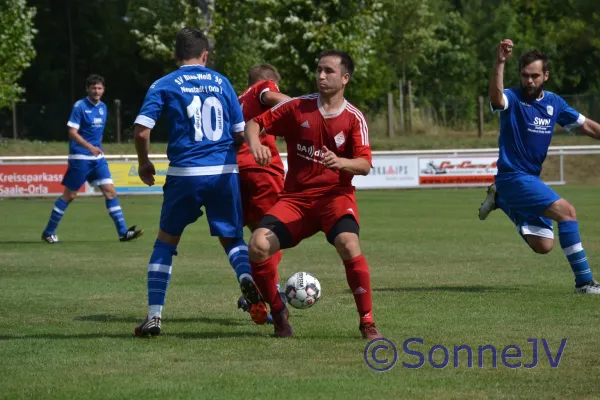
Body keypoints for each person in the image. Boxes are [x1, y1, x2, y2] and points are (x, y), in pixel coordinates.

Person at [132, 27, 267, 337]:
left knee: (165, 242)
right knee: (232, 240)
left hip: (184, 174)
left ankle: (154, 316)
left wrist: (144, 162)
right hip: (222, 173)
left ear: (175, 54)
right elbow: (238, 133)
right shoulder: (222, 82)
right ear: (205, 55)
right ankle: (246, 277)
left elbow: (141, 131)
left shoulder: (163, 84)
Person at [245, 50, 383, 339]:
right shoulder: (297, 107)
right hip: (295, 200)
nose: (321, 76)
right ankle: (279, 312)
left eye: (329, 71)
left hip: (335, 198)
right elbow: (254, 122)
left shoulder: (354, 118)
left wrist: (342, 162)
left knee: (348, 243)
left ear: (345, 78)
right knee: (257, 245)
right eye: (319, 70)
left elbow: (366, 164)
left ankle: (367, 322)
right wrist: (255, 143)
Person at [479, 39, 600, 294]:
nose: (529, 81)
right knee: (568, 212)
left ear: (545, 75)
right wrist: (499, 63)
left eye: (535, 76)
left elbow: (587, 126)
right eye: (525, 76)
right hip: (513, 176)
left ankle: (500, 200)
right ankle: (585, 283)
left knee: (543, 245)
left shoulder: (554, 103)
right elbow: (496, 98)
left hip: (528, 180)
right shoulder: (512, 97)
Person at [41, 75, 143, 244]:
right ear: (87, 89)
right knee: (70, 195)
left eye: (100, 88)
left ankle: (123, 233)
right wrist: (89, 147)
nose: (96, 91)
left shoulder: (103, 107)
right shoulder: (79, 107)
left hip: (97, 158)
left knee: (110, 191)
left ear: (103, 90)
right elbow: (72, 132)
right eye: (93, 88)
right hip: (80, 157)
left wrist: (96, 149)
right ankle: (48, 232)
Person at [234, 64, 290, 320]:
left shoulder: (236, 100)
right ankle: (266, 289)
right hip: (263, 171)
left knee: (259, 238)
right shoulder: (263, 88)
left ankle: (258, 290)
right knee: (274, 236)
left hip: (237, 173)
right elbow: (275, 98)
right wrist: (307, 110)